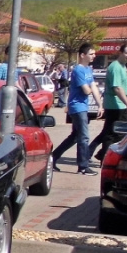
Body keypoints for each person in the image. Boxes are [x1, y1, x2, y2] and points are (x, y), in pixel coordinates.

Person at [51, 43, 103, 176]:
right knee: (84, 137)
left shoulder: (88, 70)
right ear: (82, 55)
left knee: (75, 137)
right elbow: (87, 90)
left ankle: (52, 158)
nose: (94, 56)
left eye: (94, 54)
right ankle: (83, 167)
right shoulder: (78, 70)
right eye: (91, 54)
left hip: (83, 106)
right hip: (76, 107)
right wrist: (93, 86)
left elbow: (93, 88)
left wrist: (100, 105)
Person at [89, 45, 127, 164]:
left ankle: (100, 155)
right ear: (120, 52)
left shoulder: (122, 67)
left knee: (110, 133)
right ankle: (105, 159)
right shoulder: (115, 67)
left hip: (120, 105)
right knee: (115, 134)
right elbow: (117, 88)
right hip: (116, 106)